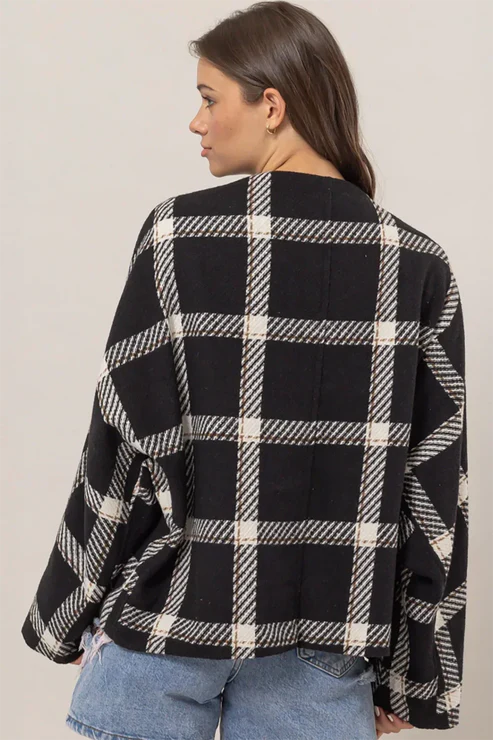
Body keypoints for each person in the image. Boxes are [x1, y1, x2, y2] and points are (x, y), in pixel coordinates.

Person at [21, 2, 468, 739]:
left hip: (167, 628)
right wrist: (415, 677)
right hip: (323, 649)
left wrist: (67, 611)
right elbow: (433, 493)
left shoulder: (177, 236)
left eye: (208, 98)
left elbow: (120, 448)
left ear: (271, 105)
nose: (195, 123)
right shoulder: (417, 266)